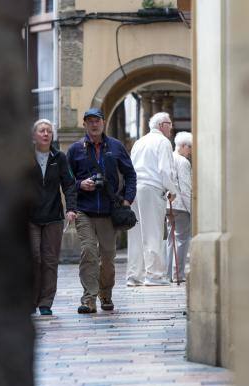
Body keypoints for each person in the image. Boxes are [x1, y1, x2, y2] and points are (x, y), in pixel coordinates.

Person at [67, 108, 136, 314]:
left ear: (103, 123)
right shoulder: (75, 149)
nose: (93, 124)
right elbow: (68, 181)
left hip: (109, 211)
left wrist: (127, 200)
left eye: (96, 121)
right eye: (89, 121)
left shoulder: (115, 147)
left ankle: (105, 293)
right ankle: (88, 298)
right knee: (89, 252)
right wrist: (81, 184)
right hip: (84, 211)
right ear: (84, 125)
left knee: (107, 257)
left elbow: (130, 174)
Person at [29, 119, 77, 316]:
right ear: (34, 135)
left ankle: (46, 302)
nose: (46, 134)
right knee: (34, 257)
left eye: (49, 131)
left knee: (50, 260)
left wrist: (71, 208)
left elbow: (69, 184)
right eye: (42, 131)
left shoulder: (59, 157)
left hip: (53, 216)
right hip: (29, 217)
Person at [127, 112, 178, 286]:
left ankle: (134, 276)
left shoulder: (139, 142)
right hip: (152, 189)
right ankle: (154, 275)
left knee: (136, 234)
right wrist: (172, 190)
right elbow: (165, 170)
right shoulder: (163, 142)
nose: (171, 127)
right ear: (162, 125)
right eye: (170, 123)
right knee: (153, 233)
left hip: (135, 189)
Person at [166, 131, 192, 283]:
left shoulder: (169, 158)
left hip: (169, 205)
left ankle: (169, 274)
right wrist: (191, 210)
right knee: (181, 240)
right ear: (182, 146)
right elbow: (186, 188)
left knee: (171, 239)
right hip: (181, 206)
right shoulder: (183, 162)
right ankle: (178, 274)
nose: (190, 151)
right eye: (189, 147)